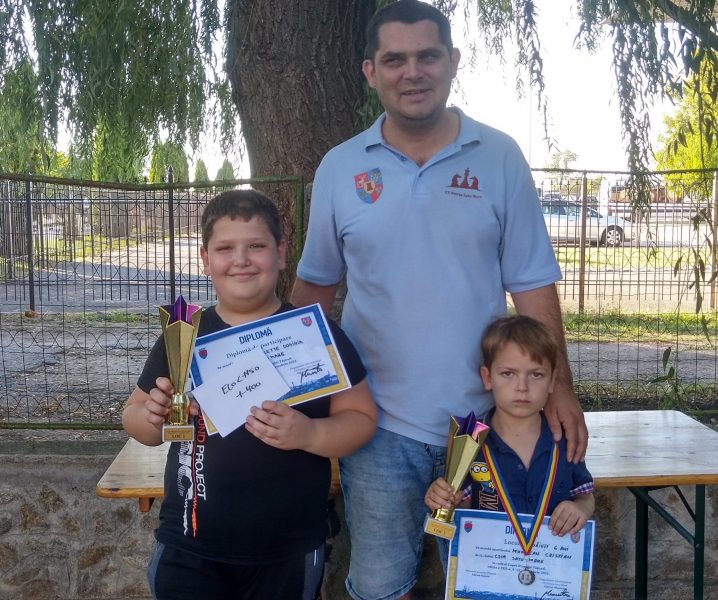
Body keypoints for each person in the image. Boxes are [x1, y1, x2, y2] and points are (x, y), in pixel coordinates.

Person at [290, 2, 588, 598]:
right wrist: (287, 393)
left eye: (427, 56)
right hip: (376, 427)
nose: (413, 72)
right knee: (380, 588)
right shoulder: (339, 168)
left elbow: (532, 284)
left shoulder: (500, 157)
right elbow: (314, 291)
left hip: (491, 427)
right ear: (371, 71)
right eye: (395, 59)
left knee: (496, 587)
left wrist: (559, 388)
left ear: (452, 61)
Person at [122, 190, 377, 600]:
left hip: (287, 551)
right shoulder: (184, 335)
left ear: (281, 253)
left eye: (256, 246)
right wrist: (152, 418)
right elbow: (134, 418)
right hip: (189, 546)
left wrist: (310, 434)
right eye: (225, 249)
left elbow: (362, 419)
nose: (240, 259)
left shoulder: (314, 333)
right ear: (206, 260)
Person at [425, 316, 594, 543]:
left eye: (536, 375)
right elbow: (459, 503)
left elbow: (585, 496)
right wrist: (441, 498)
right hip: (489, 559)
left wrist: (581, 509)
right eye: (508, 374)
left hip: (551, 559)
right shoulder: (469, 439)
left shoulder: (563, 438)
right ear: (487, 378)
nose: (522, 387)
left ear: (552, 381)